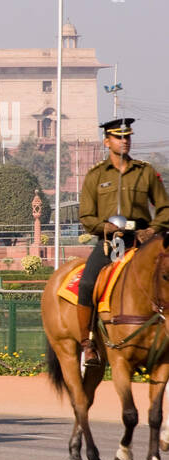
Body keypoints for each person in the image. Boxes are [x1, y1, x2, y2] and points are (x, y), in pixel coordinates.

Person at [75, 117, 169, 364]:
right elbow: (86, 215)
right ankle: (88, 344)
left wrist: (153, 229)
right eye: (118, 137)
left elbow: (165, 208)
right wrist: (103, 226)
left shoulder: (146, 172)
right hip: (110, 241)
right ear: (107, 141)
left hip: (142, 241)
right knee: (86, 284)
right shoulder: (96, 175)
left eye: (127, 136)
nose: (124, 141)